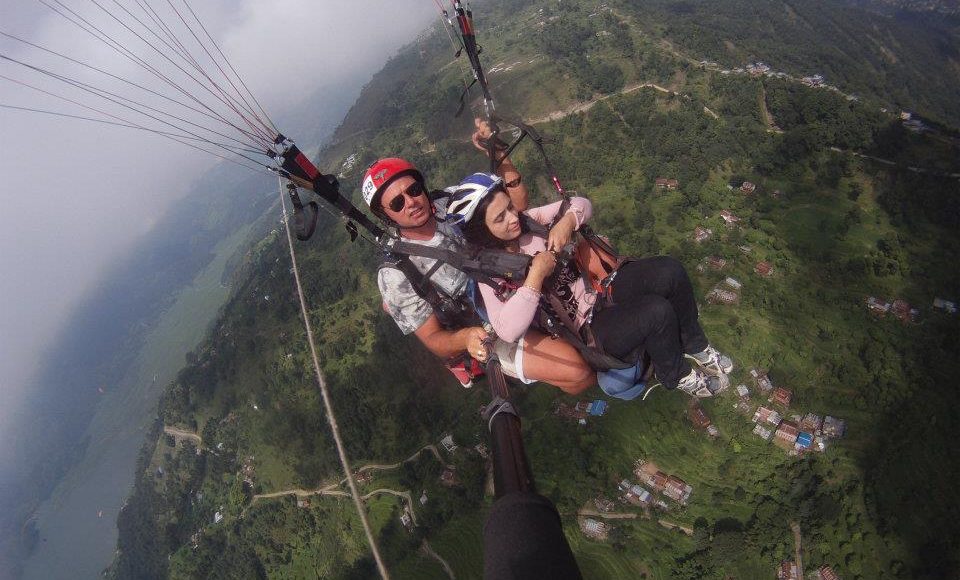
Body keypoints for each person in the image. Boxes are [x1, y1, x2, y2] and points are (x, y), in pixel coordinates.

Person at [447, 172, 734, 398]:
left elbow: (581, 204)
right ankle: (676, 375)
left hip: (600, 293)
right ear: (482, 232)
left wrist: (567, 220)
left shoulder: (530, 222)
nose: (512, 217)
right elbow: (507, 329)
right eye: (500, 218)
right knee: (656, 312)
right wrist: (534, 277)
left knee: (670, 271)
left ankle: (697, 346)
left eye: (509, 206)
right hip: (588, 331)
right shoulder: (490, 275)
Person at [362, 123, 594, 394]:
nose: (411, 202)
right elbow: (433, 338)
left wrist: (499, 155)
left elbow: (515, 208)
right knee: (577, 371)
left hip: (518, 279)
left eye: (413, 190)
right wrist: (466, 338)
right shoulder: (396, 273)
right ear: (386, 215)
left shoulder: (449, 202)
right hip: (487, 323)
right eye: (397, 203)